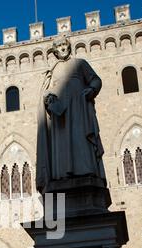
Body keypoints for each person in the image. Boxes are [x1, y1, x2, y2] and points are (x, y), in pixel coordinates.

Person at [36, 37, 106, 194]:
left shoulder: (80, 63)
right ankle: (62, 174)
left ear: (69, 47)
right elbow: (46, 90)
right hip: (60, 116)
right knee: (62, 144)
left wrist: (92, 89)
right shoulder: (53, 71)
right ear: (55, 51)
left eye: (64, 45)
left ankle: (85, 170)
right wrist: (48, 98)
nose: (62, 48)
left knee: (80, 137)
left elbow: (95, 80)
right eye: (59, 46)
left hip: (79, 108)